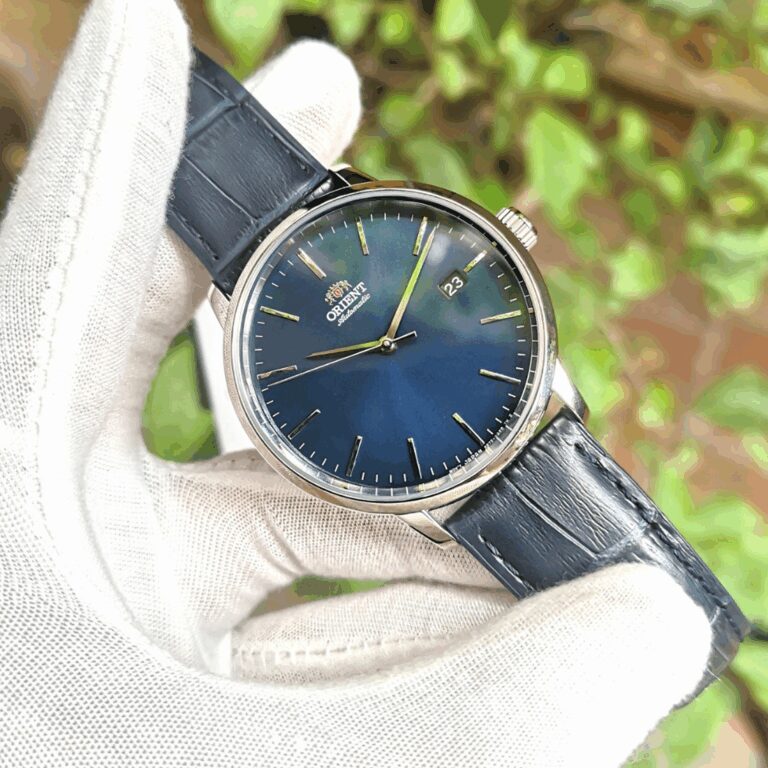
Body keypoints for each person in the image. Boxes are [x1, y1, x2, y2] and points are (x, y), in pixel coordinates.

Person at [0, 1, 712, 765]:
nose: (386, 342)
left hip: (507, 418)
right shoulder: (284, 361)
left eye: (389, 333)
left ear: (506, 239)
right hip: (437, 459)